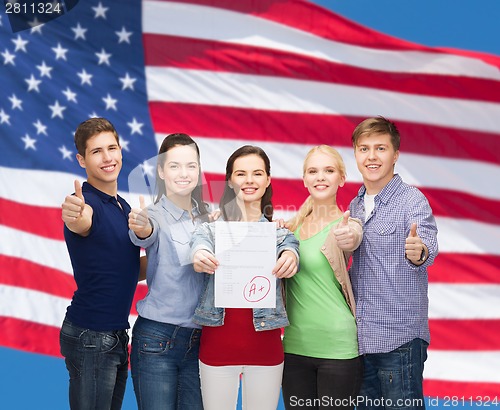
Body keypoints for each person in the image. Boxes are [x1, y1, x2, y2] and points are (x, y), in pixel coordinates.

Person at [190, 145, 299, 410]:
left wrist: (290, 258)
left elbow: (291, 249)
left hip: (266, 351)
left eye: (257, 173)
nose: (249, 180)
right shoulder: (210, 230)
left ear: (268, 180)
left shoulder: (280, 234)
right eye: (241, 173)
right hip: (216, 350)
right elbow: (199, 244)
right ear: (230, 180)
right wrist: (201, 254)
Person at [348, 117, 438, 410]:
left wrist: (419, 251)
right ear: (355, 154)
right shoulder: (355, 206)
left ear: (395, 155)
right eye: (364, 148)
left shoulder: (412, 201)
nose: (371, 156)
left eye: (380, 148)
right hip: (361, 341)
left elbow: (426, 245)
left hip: (398, 341)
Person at [60, 117, 142, 410]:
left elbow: (127, 266)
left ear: (120, 151)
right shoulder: (85, 204)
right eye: (96, 151)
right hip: (91, 335)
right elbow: (79, 220)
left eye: (112, 148)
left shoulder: (123, 206)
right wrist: (74, 214)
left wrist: (180, 262)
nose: (107, 157)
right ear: (81, 159)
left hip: (116, 334)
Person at [128, 133, 210, 410]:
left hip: (200, 342)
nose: (184, 173)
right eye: (174, 166)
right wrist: (140, 227)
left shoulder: (211, 217)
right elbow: (144, 233)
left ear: (199, 169)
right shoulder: (152, 215)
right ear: (161, 171)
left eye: (191, 165)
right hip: (156, 340)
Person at [282, 145, 364, 409]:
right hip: (294, 347)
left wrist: (350, 235)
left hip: (337, 348)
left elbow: (353, 236)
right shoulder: (289, 229)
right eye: (313, 171)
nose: (320, 177)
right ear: (304, 179)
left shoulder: (346, 224)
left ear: (341, 179)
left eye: (329, 171)